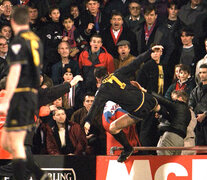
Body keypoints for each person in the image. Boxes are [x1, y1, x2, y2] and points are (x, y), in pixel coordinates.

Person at [84, 45, 163, 162]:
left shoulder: (102, 90)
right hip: (149, 100)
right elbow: (136, 63)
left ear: (97, 79)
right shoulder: (118, 73)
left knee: (113, 128)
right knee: (159, 109)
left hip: (138, 112)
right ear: (108, 72)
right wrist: (149, 51)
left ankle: (127, 148)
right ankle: (170, 114)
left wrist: (88, 121)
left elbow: (95, 106)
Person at [0, 6, 44, 180]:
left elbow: (15, 72)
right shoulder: (35, 40)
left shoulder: (18, 43)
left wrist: (7, 98)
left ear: (12, 22)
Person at [154, 90, 191, 155]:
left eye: (173, 98)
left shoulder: (177, 105)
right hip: (180, 139)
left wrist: (144, 90)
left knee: (162, 159)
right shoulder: (188, 112)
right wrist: (160, 111)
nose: (172, 100)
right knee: (174, 162)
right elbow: (172, 118)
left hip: (171, 136)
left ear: (180, 98)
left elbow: (162, 100)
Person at [189, 64, 207, 146]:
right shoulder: (195, 90)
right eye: (200, 73)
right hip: (198, 123)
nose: (202, 75)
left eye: (204, 72)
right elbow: (191, 104)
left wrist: (205, 114)